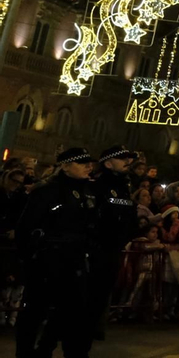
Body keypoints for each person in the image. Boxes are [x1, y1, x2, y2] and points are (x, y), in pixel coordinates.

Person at [15, 147, 98, 358]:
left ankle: (45, 349)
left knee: (69, 311)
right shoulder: (47, 191)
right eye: (82, 163)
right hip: (47, 259)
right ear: (66, 166)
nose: (89, 166)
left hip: (74, 259)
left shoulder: (88, 191)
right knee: (35, 311)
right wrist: (27, 260)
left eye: (89, 162)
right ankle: (24, 352)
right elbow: (25, 228)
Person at [88, 145, 139, 338]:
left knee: (103, 291)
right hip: (96, 248)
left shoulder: (124, 186)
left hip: (113, 249)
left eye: (129, 158)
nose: (128, 162)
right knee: (89, 290)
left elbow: (128, 216)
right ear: (108, 163)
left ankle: (95, 327)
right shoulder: (97, 185)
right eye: (122, 159)